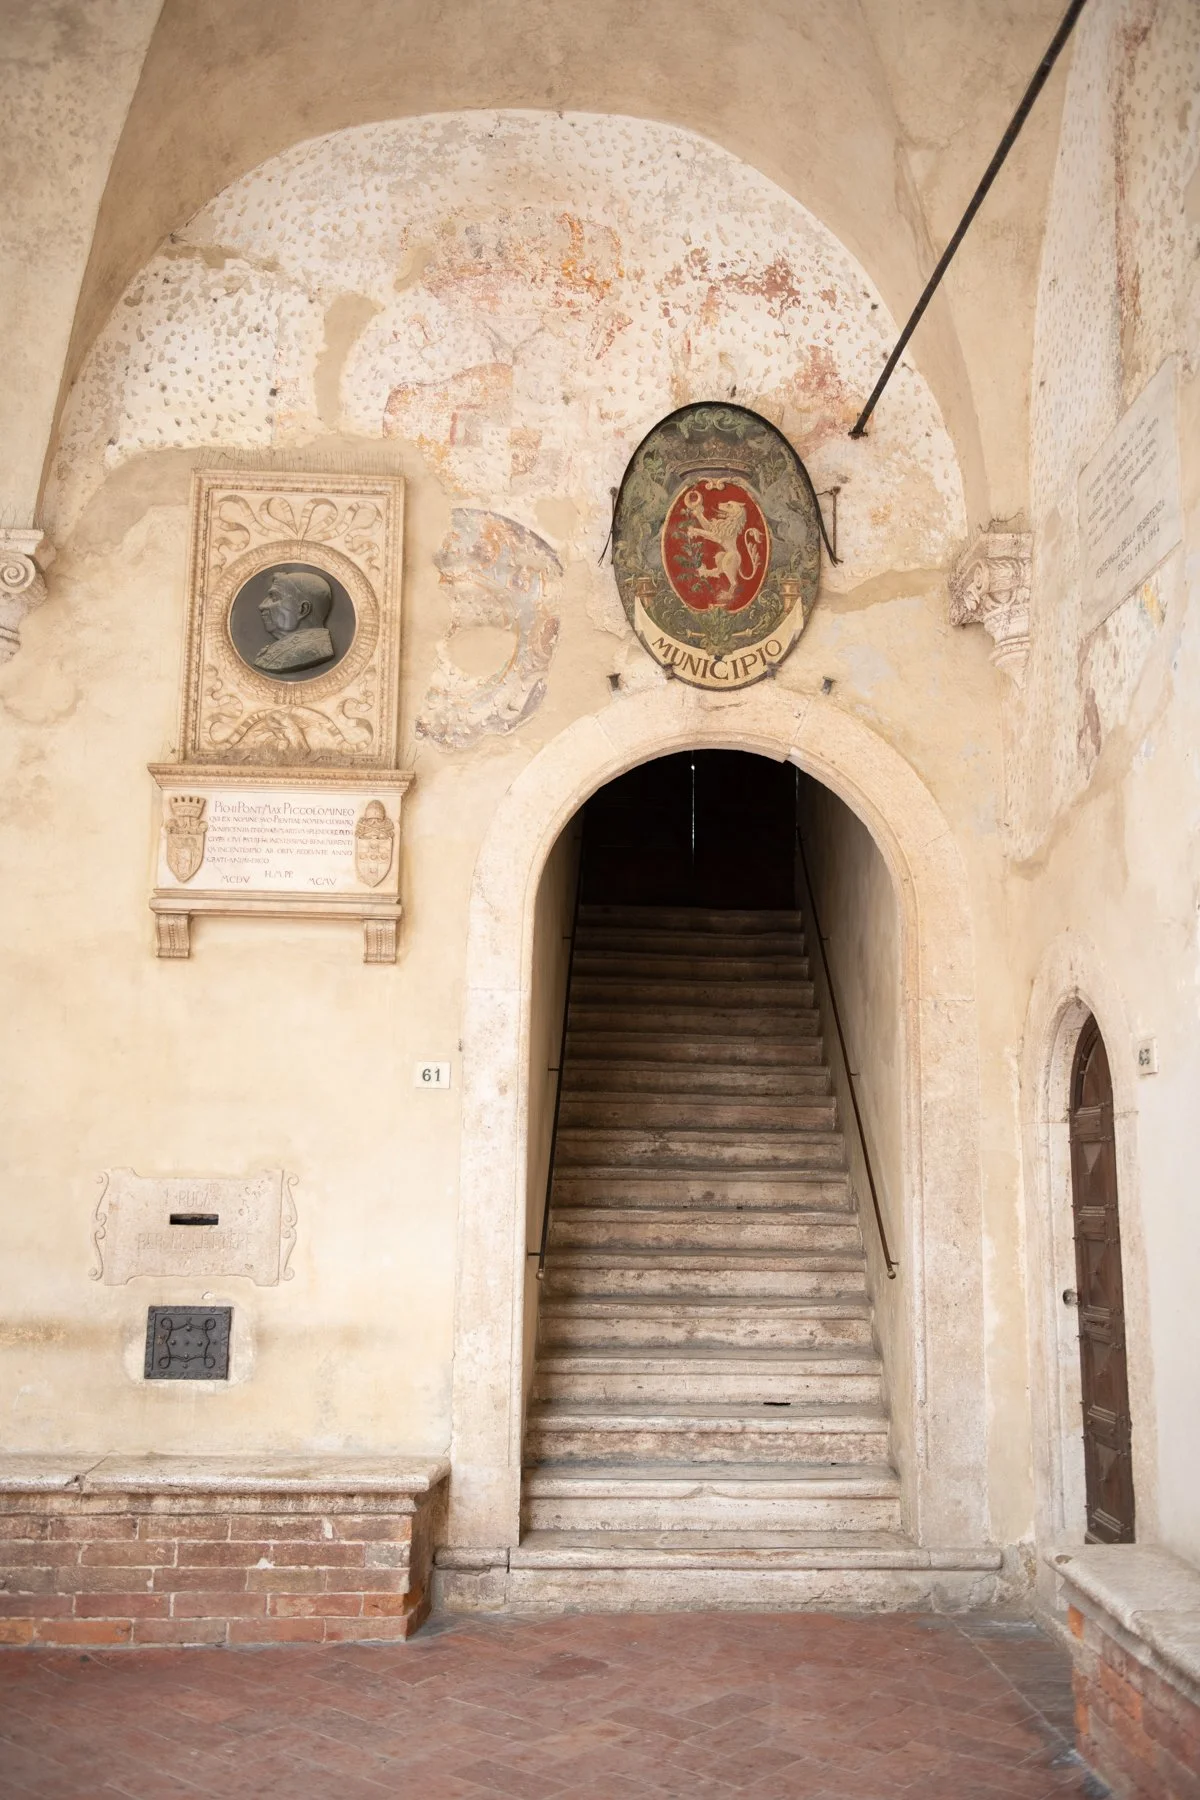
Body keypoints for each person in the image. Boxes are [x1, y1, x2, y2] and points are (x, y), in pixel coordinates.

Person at [253, 569, 336, 673]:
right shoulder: (279, 652)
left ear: (303, 609)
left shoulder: (307, 650)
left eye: (274, 598)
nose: (262, 606)